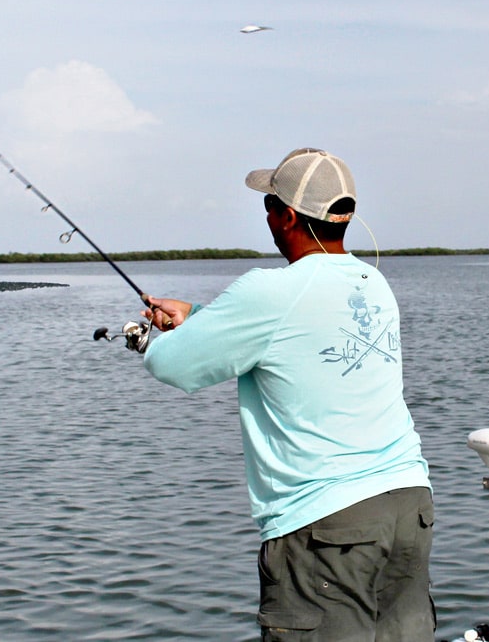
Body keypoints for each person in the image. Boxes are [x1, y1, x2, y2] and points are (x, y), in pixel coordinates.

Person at [140, 148, 434, 641]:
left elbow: (172, 365)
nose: (268, 218)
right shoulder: (374, 283)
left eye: (269, 206)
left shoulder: (269, 290)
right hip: (409, 508)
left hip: (328, 527)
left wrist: (159, 337)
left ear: (288, 217)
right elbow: (297, 330)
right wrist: (199, 316)